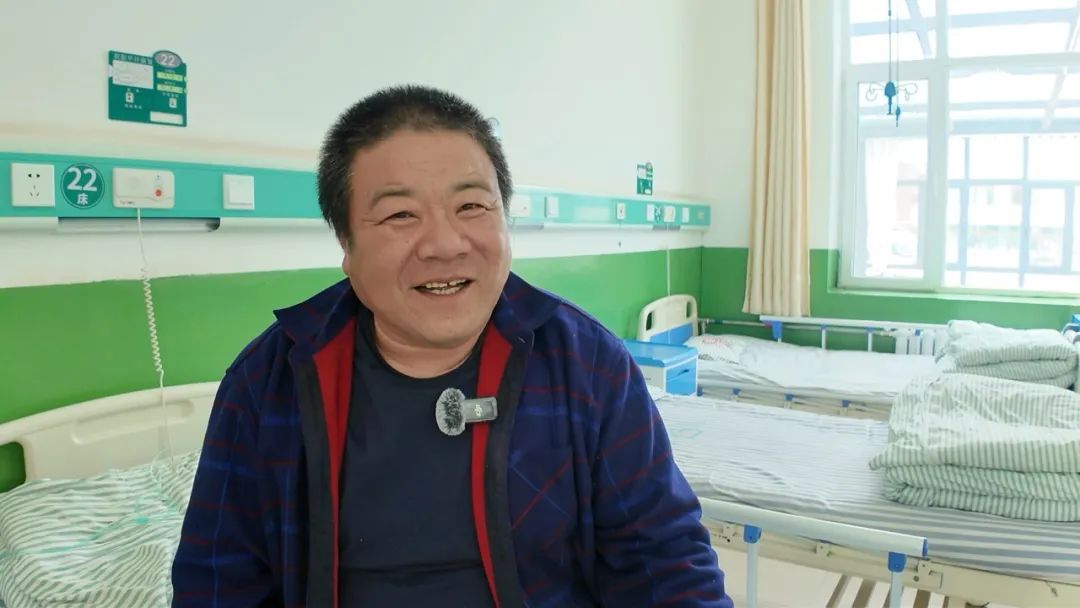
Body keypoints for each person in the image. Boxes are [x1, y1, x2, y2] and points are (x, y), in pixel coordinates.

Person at [172, 84, 731, 607]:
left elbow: (665, 565)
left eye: (472, 207)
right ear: (346, 242)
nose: (444, 244)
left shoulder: (586, 366)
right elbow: (217, 583)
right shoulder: (268, 382)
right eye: (400, 215)